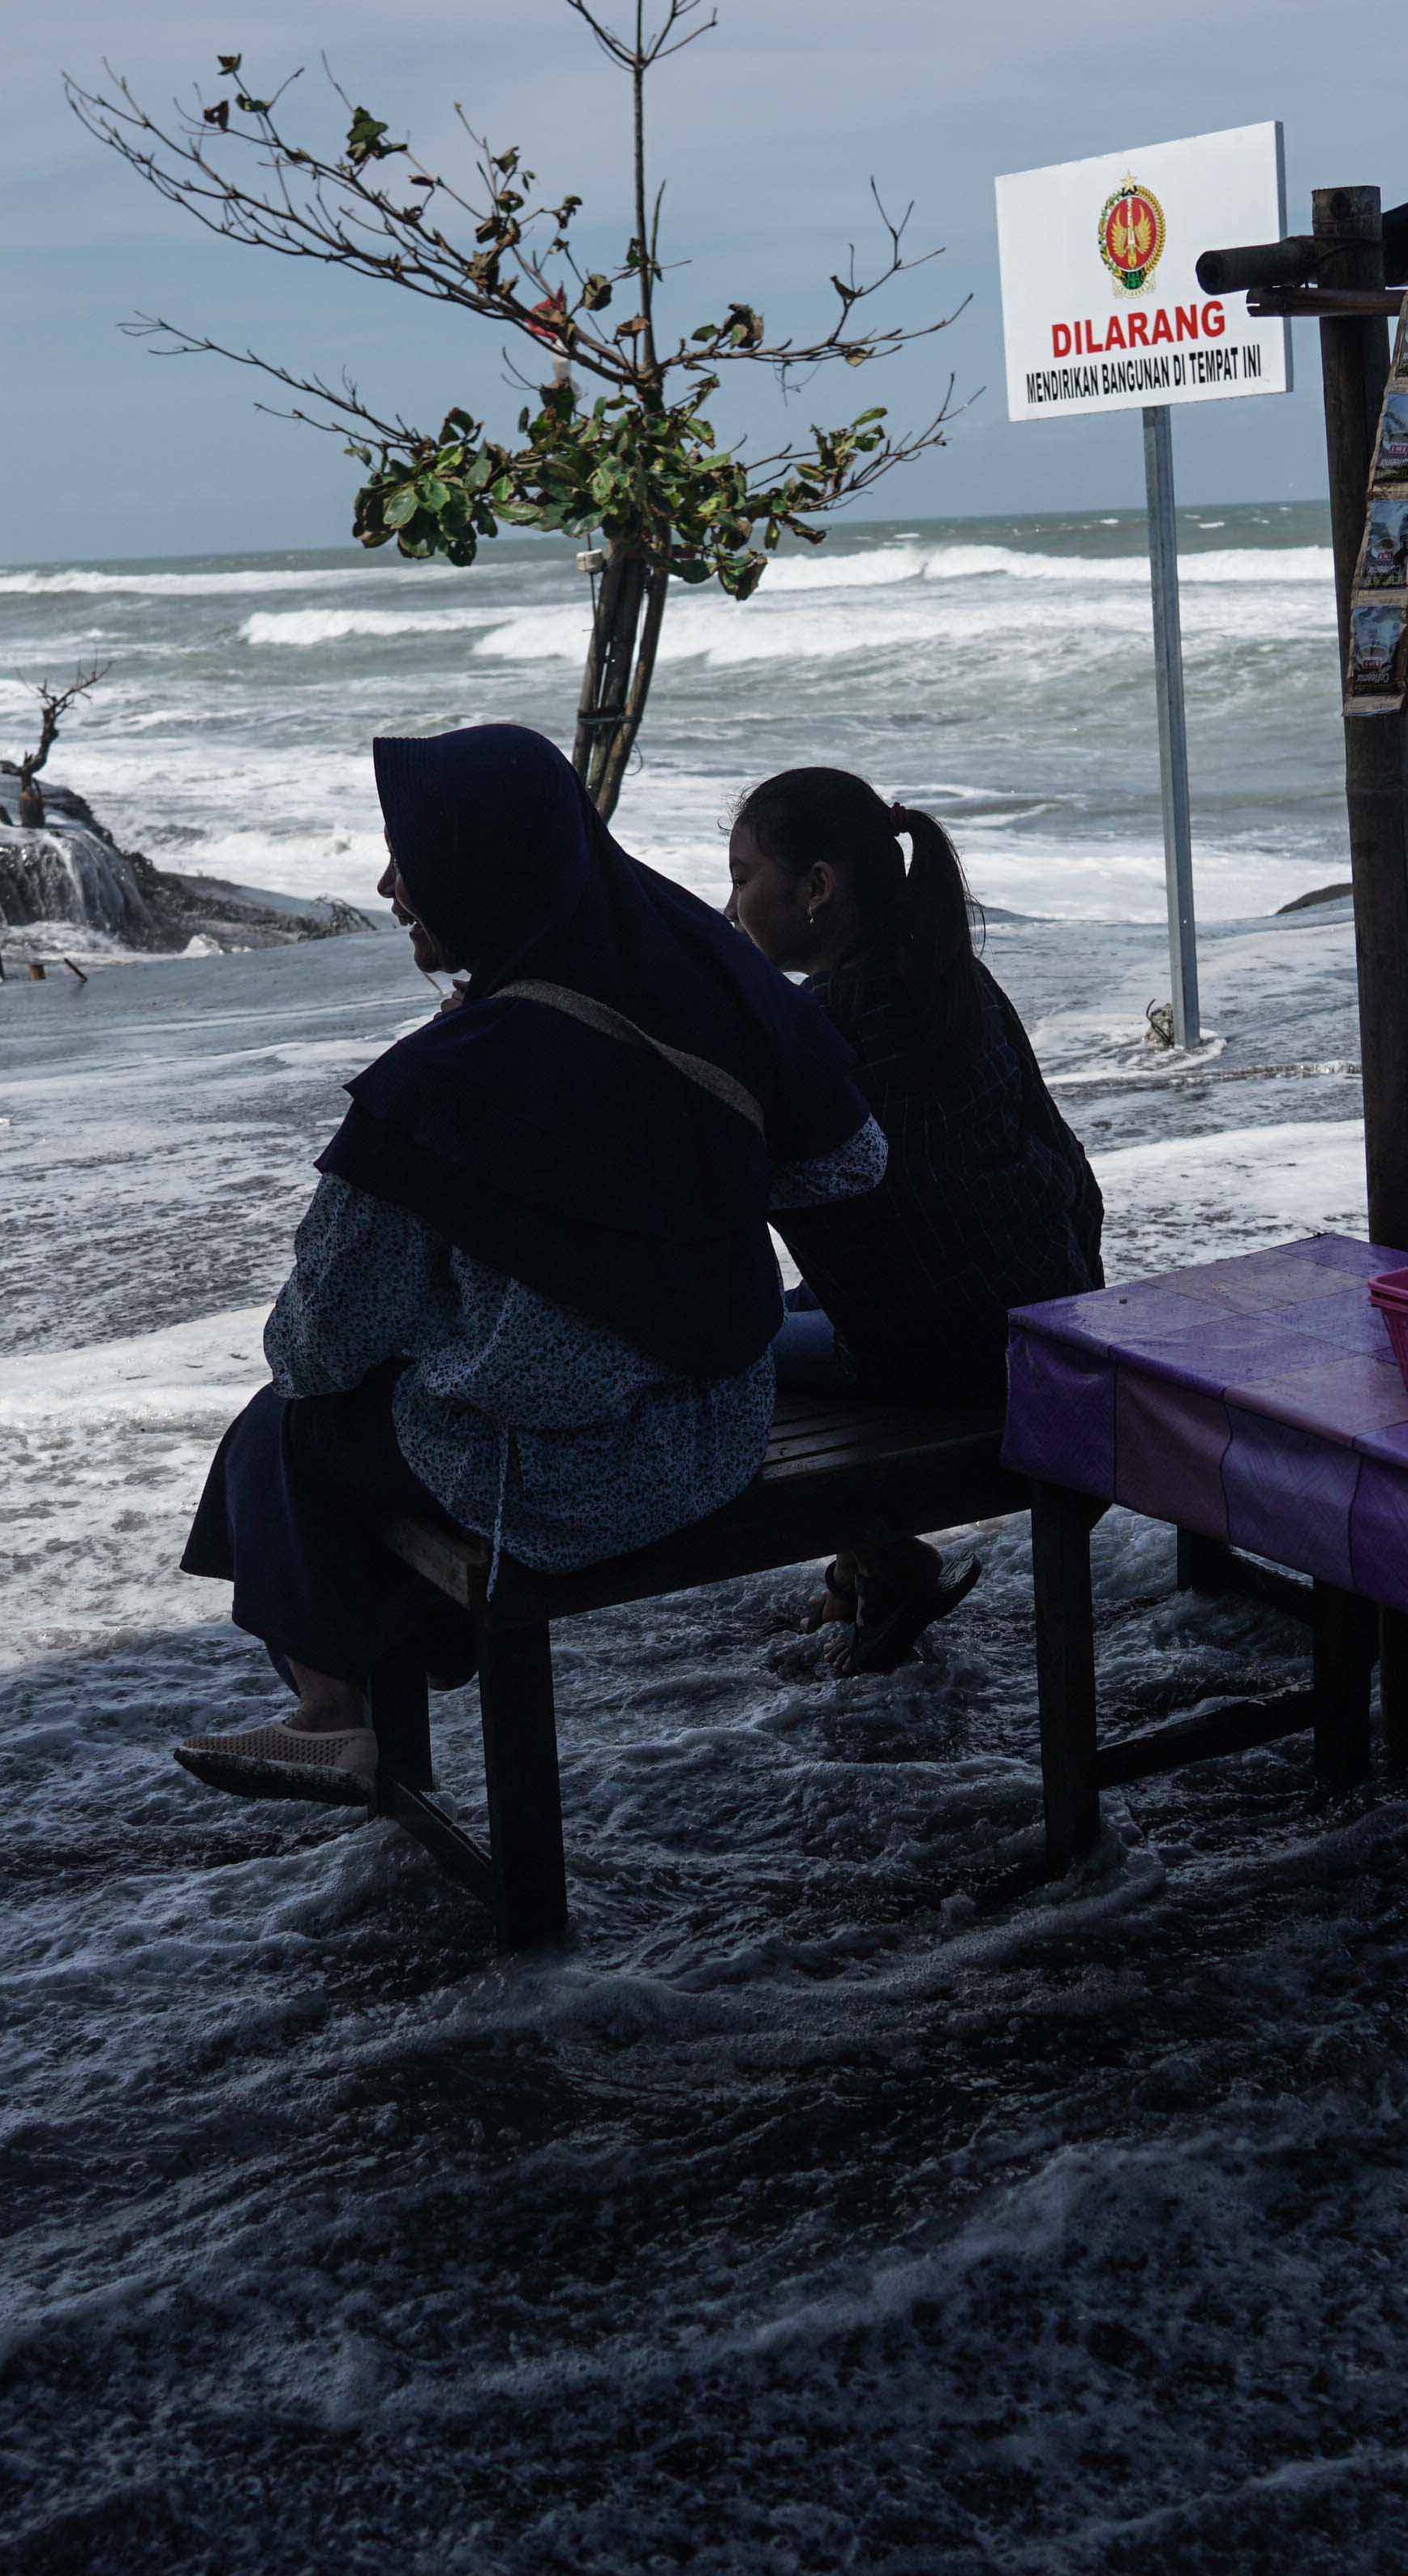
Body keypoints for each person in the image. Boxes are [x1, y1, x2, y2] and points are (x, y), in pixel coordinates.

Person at [177, 723, 882, 1799]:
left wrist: (475, 1287)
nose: (386, 882)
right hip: (723, 1427)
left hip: (567, 1486)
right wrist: (664, 1191)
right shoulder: (701, 972)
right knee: (341, 1414)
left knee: (287, 1422)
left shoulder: (443, 1088)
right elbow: (850, 1165)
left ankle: (333, 1710)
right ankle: (358, 1692)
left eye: (409, 856)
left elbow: (316, 1343)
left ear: (477, 866)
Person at [723, 767, 1104, 1667]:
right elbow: (1058, 1167)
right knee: (798, 1304)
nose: (731, 901)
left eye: (743, 877)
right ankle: (866, 1572)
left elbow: (728, 1175)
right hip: (1046, 1309)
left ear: (816, 888)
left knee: (711, 1347)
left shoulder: (823, 1025)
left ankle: (887, 1558)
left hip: (950, 1354)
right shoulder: (954, 976)